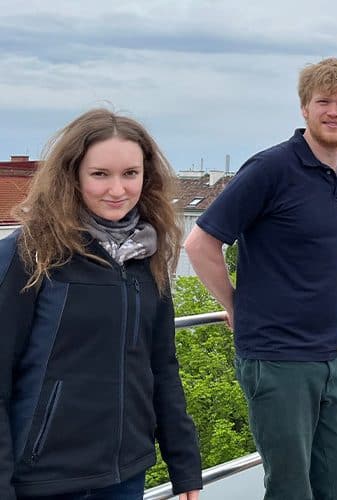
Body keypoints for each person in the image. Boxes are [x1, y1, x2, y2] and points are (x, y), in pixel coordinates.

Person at [183, 57, 337, 500]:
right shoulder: (271, 168)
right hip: (277, 357)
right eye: (323, 101)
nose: (334, 112)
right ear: (304, 107)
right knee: (289, 488)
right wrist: (234, 305)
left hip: (333, 354)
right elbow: (200, 242)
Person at [0, 109, 202, 499]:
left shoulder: (147, 256)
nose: (117, 189)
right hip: (46, 480)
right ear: (72, 175)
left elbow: (161, 367)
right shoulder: (31, 254)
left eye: (130, 173)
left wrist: (185, 465)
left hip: (125, 474)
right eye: (100, 174)